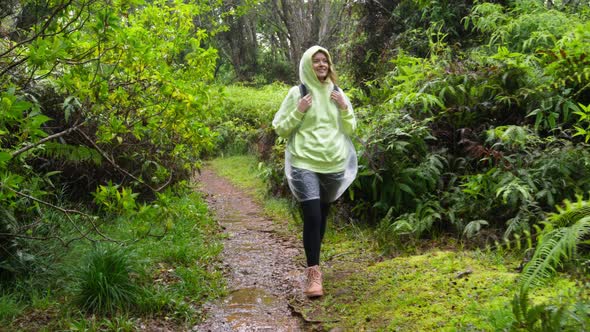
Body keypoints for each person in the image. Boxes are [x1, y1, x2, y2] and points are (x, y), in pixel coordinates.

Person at [272, 45, 357, 298]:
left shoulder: (338, 93)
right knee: (312, 216)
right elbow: (280, 128)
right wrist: (298, 111)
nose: (321, 65)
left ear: (329, 66)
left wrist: (344, 107)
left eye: (325, 61)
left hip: (333, 164)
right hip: (304, 162)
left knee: (321, 215)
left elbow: (351, 129)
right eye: (316, 61)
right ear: (307, 65)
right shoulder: (297, 93)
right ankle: (313, 274)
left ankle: (314, 260)